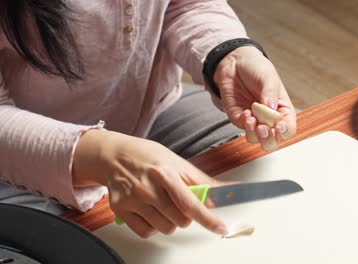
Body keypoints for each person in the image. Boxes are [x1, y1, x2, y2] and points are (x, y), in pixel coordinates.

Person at [0, 0, 296, 238]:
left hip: (150, 113)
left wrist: (227, 53)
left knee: (270, 165)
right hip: (9, 171)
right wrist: (104, 156)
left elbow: (185, 4)